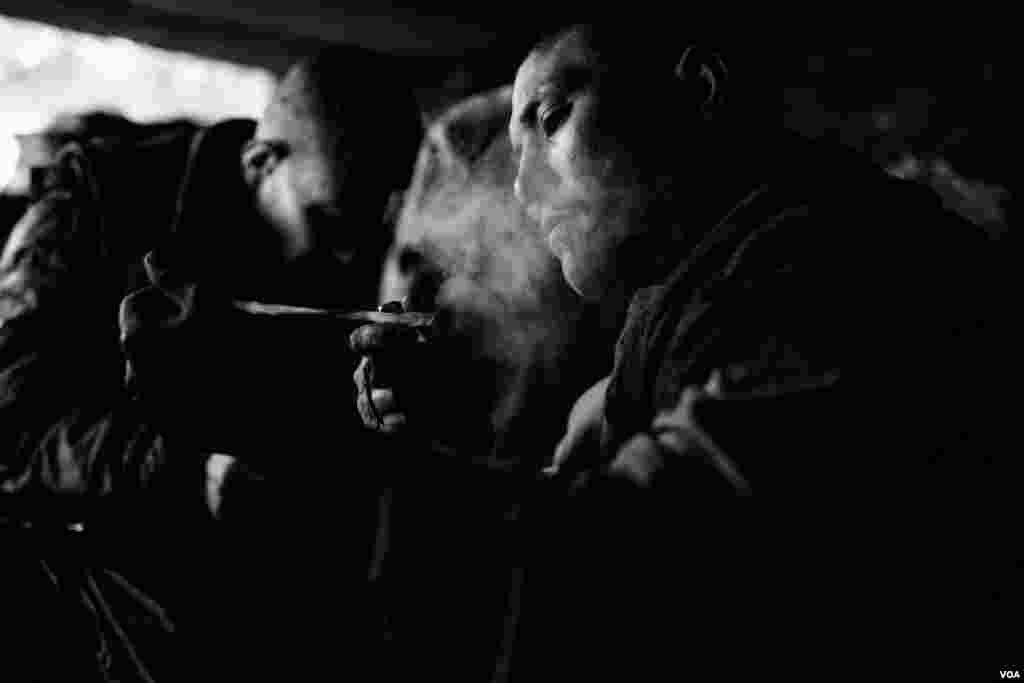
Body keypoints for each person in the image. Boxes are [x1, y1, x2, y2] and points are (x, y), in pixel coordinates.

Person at [352, 25, 1011, 680]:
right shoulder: (681, 291)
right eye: (514, 150)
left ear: (698, 92)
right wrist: (434, 444)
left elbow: (649, 558)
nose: (522, 189)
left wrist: (346, 466)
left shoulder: (851, 264)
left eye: (551, 122)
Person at [1, 45, 421, 681]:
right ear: (260, 162)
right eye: (330, 226)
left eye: (368, 235)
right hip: (67, 563)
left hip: (239, 577)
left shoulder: (338, 234)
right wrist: (188, 474)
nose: (348, 262)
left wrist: (377, 399)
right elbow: (15, 431)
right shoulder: (96, 206)